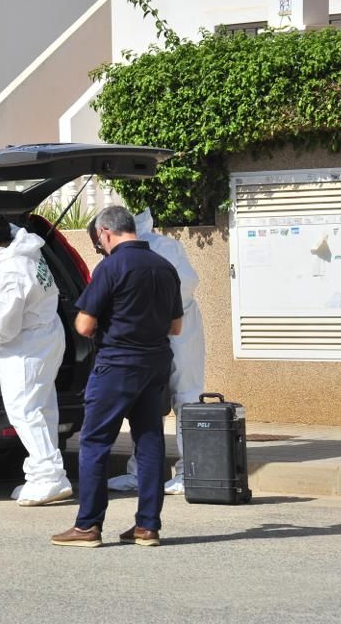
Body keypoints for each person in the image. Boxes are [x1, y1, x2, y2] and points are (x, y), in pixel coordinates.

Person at [51, 206, 183, 547]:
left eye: (98, 240)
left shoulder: (111, 266)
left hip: (117, 365)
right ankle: (147, 526)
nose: (100, 245)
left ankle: (88, 526)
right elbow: (177, 326)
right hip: (155, 364)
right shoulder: (165, 267)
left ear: (106, 233)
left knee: (95, 442)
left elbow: (83, 324)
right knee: (150, 441)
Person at [0, 210, 73, 507]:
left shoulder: (11, 270)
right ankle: (41, 472)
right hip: (47, 335)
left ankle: (50, 477)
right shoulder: (26, 248)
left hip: (27, 345)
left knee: (24, 410)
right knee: (43, 407)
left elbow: (7, 325)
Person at [106, 209, 206, 496]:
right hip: (155, 330)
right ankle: (142, 474)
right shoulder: (135, 252)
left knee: (186, 396)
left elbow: (185, 285)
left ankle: (191, 472)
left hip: (180, 329)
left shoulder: (163, 247)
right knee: (147, 401)